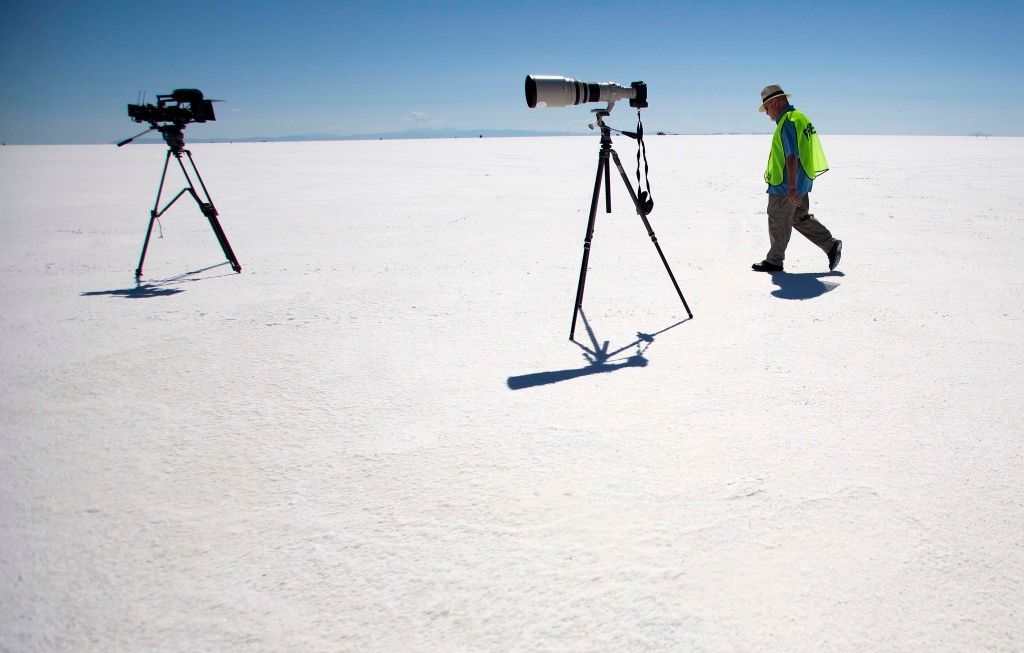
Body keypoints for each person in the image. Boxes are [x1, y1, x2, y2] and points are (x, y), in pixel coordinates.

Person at [752, 84, 842, 273]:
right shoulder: (800, 117)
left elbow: (791, 155)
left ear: (774, 102)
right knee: (799, 217)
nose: (767, 114)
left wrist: (791, 187)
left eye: (766, 108)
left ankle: (775, 260)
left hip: (785, 186)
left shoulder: (787, 122)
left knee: (777, 217)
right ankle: (831, 245)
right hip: (801, 182)